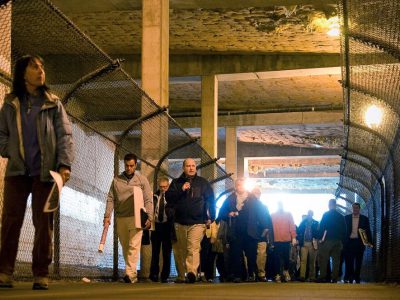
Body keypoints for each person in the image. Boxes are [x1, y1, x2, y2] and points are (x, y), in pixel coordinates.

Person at [0, 55, 74, 290]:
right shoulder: (11, 103)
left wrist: (64, 164)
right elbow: (1, 133)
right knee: (11, 222)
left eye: (41, 67)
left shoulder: (54, 103)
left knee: (44, 224)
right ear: (23, 74)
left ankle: (41, 273)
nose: (41, 70)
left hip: (45, 172)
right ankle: (4, 272)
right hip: (17, 172)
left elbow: (65, 135)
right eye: (35, 67)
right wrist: (9, 150)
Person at [103, 153, 153, 284]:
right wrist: (107, 215)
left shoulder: (142, 180)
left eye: (131, 166)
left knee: (133, 245)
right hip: (121, 217)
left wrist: (149, 217)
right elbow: (110, 198)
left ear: (135, 165)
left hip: (137, 217)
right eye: (127, 165)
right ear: (124, 165)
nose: (129, 168)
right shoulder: (116, 180)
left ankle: (130, 274)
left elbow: (148, 199)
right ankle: (132, 273)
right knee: (125, 246)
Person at [165, 158, 215, 283]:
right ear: (183, 168)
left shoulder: (203, 183)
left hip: (198, 222)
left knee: (193, 247)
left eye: (193, 166)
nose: (191, 168)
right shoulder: (176, 183)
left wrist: (211, 216)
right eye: (188, 166)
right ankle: (182, 275)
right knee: (180, 249)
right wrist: (181, 189)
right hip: (179, 221)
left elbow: (210, 200)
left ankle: (192, 272)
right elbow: (169, 197)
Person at [219, 178, 270, 283]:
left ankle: (252, 274)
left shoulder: (252, 199)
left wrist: (265, 226)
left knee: (251, 254)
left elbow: (261, 213)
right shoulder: (230, 199)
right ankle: (238, 276)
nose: (240, 187)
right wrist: (229, 214)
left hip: (250, 231)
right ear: (235, 186)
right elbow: (222, 213)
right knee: (236, 254)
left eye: (242, 185)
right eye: (238, 185)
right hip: (235, 231)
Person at [317, 199, 346, 283]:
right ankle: (334, 278)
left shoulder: (326, 215)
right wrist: (342, 241)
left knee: (324, 259)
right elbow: (344, 230)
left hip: (327, 240)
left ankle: (323, 276)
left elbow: (322, 227)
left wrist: (320, 239)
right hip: (337, 241)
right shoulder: (340, 216)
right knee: (336, 260)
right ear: (335, 205)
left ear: (329, 205)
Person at [149, 177, 173, 283]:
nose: (163, 189)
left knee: (166, 252)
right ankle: (153, 274)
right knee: (155, 252)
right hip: (156, 226)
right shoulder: (155, 195)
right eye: (161, 187)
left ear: (168, 186)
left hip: (167, 226)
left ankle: (165, 275)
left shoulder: (172, 197)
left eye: (165, 187)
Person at [343, 202, 372, 284]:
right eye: (354, 208)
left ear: (359, 209)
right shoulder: (346, 218)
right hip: (349, 242)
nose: (355, 209)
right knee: (349, 261)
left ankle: (357, 278)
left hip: (359, 242)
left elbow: (368, 231)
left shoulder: (364, 219)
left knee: (359, 261)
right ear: (352, 208)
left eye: (356, 208)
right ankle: (350, 277)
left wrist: (369, 242)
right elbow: (343, 231)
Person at [271, 201, 297, 283]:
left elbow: (292, 226)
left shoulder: (288, 214)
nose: (280, 207)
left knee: (286, 258)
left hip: (286, 240)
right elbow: (270, 228)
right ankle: (278, 274)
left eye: (281, 205)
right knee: (277, 259)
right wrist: (270, 240)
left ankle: (286, 272)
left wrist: (294, 237)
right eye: (279, 205)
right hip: (276, 240)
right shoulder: (272, 215)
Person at [251, 186, 274, 282]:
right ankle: (252, 273)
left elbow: (268, 222)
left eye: (258, 193)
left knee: (261, 255)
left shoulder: (264, 207)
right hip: (251, 234)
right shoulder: (248, 206)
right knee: (251, 254)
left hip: (261, 235)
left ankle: (260, 274)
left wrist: (266, 231)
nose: (256, 195)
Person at [297, 210, 319, 281]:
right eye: (308, 213)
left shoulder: (316, 223)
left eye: (310, 213)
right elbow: (298, 231)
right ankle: (302, 276)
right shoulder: (303, 222)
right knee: (303, 260)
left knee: (312, 261)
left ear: (312, 214)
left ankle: (312, 277)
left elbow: (318, 233)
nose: (309, 215)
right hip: (304, 243)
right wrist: (299, 242)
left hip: (313, 244)